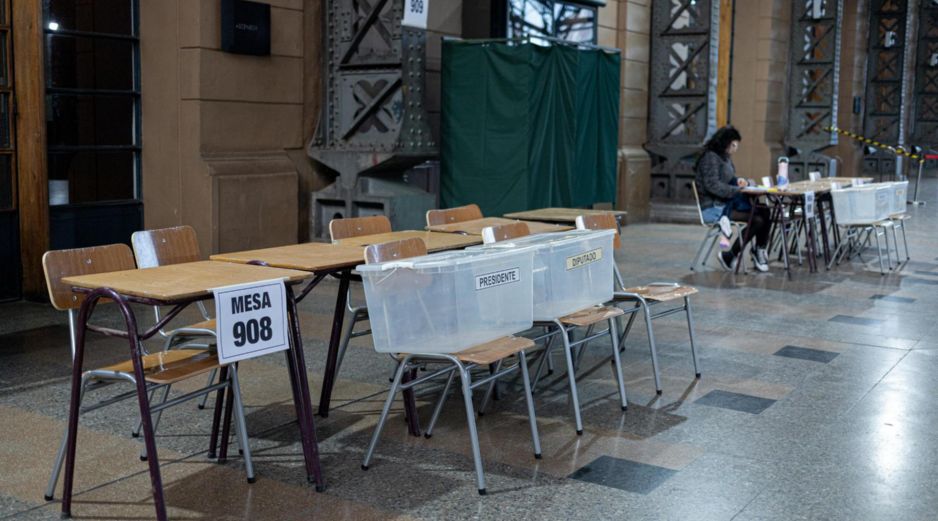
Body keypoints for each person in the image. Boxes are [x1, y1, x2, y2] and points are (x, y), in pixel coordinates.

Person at [694, 126, 771, 272]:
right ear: (725, 143)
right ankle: (730, 255)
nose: (735, 149)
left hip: (725, 203)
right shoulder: (710, 158)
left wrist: (740, 181)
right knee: (757, 219)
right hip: (713, 207)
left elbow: (729, 179)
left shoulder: (725, 157)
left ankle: (759, 250)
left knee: (765, 211)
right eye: (734, 145)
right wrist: (737, 190)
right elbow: (712, 185)